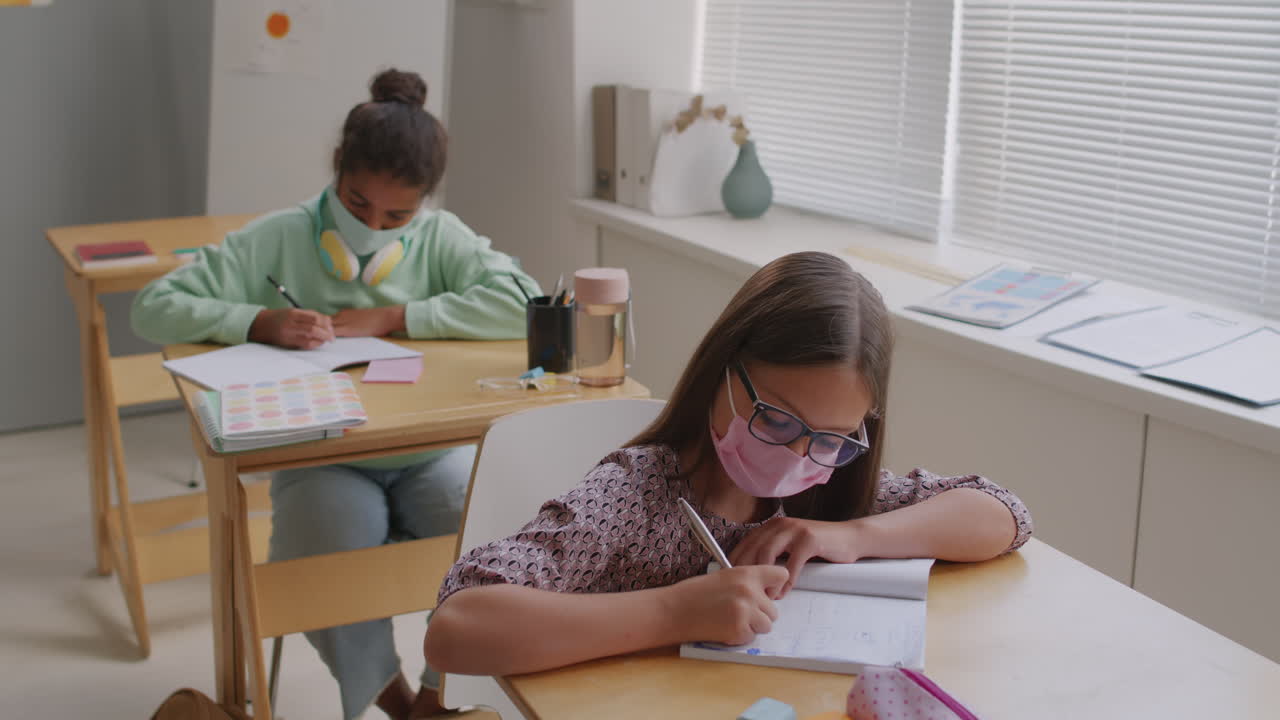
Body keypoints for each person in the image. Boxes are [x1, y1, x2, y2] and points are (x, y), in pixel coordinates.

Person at [131, 68, 537, 720]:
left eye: (397, 214)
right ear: (335, 170)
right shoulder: (279, 235)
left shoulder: (439, 238)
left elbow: (526, 303)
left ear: (425, 203)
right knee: (331, 534)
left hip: (427, 449)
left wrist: (396, 316)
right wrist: (258, 321)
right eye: (356, 204)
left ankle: (441, 695)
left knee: (481, 526)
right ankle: (401, 705)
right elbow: (155, 307)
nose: (374, 225)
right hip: (320, 456)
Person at [424, 251, 1033, 675]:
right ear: (722, 371)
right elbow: (458, 626)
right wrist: (675, 611)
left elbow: (1004, 514)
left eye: (833, 436)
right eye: (776, 417)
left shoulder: (830, 491)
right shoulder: (638, 496)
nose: (800, 456)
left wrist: (853, 535)